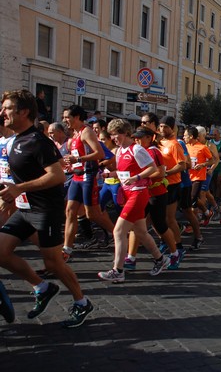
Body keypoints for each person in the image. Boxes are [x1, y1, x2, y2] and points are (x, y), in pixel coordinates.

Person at [0, 89, 94, 328]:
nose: (3, 113)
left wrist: (19, 188)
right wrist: (10, 194)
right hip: (24, 208)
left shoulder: (37, 141)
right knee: (0, 252)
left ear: (24, 112)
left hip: (45, 211)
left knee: (53, 263)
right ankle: (42, 287)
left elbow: (57, 176)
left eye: (8, 108)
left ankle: (82, 303)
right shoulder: (14, 139)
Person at [97, 120, 169, 282]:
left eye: (115, 134)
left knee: (118, 231)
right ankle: (160, 259)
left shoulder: (136, 149)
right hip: (129, 193)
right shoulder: (120, 151)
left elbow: (153, 169)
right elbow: (123, 173)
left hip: (138, 194)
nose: (113, 138)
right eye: (111, 135)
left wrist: (137, 177)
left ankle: (118, 270)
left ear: (124, 133)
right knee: (141, 233)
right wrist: (109, 175)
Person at [62, 105, 114, 260]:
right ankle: (67, 249)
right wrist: (71, 164)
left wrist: (78, 159)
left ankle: (118, 234)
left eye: (67, 117)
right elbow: (78, 156)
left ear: (77, 117)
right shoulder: (75, 135)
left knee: (93, 214)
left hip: (87, 177)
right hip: (76, 176)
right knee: (70, 211)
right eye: (64, 118)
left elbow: (99, 153)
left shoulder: (86, 132)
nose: (65, 121)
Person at [159, 116, 187, 266]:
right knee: (159, 218)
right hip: (160, 184)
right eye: (161, 126)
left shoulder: (175, 144)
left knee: (169, 218)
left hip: (172, 184)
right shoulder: (159, 142)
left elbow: (182, 165)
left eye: (165, 127)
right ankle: (165, 241)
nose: (162, 129)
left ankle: (179, 246)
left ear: (172, 128)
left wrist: (167, 173)